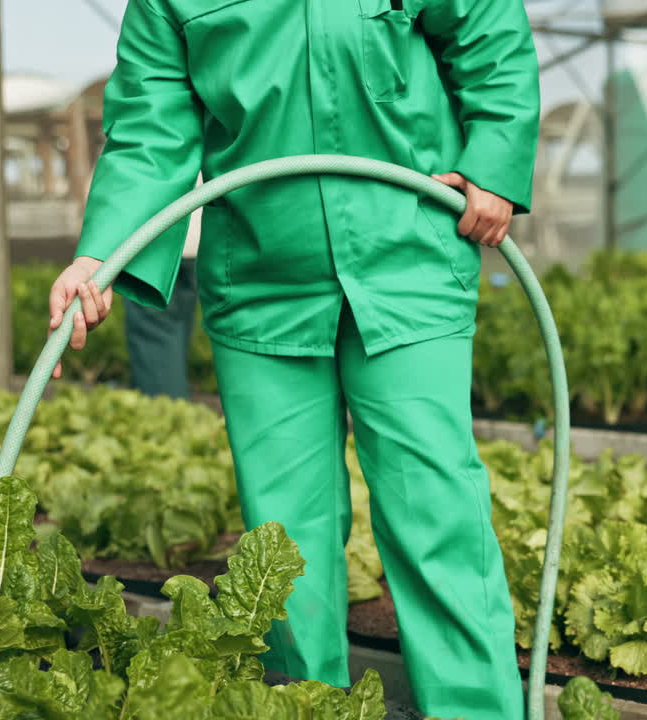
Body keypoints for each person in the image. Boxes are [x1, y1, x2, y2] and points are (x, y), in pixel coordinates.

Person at [48, 1, 539, 718]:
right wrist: (99, 253)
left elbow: (486, 28)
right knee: (284, 539)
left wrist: (494, 158)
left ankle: (476, 712)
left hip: (409, 257)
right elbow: (152, 124)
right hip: (260, 279)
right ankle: (305, 705)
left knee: (434, 506)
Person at [122, 179, 202, 400]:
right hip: (196, 236)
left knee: (156, 346)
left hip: (153, 240)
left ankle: (167, 425)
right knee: (174, 339)